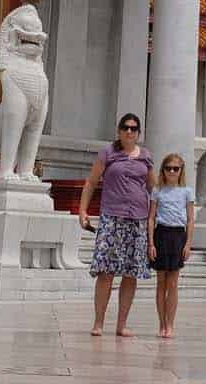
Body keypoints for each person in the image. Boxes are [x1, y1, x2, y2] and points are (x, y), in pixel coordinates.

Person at [77, 112, 153, 337]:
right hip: (112, 217)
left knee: (130, 273)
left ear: (138, 133)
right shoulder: (108, 154)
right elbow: (91, 183)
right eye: (125, 127)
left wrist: (159, 217)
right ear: (119, 131)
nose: (129, 131)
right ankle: (99, 322)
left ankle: (121, 324)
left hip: (137, 220)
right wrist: (83, 210)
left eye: (134, 128)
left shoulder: (146, 157)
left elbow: (152, 189)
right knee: (106, 272)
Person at [147, 155, 196, 338]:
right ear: (163, 170)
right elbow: (151, 218)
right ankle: (161, 323)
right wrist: (150, 243)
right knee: (161, 282)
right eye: (169, 168)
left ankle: (170, 324)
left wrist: (188, 244)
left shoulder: (187, 192)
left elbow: (191, 220)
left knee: (173, 283)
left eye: (176, 168)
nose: (172, 172)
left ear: (181, 171)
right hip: (161, 234)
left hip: (178, 235)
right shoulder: (157, 191)